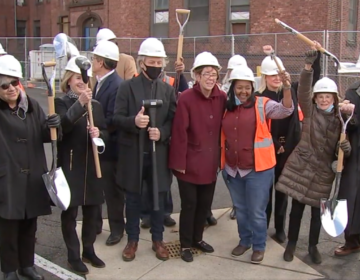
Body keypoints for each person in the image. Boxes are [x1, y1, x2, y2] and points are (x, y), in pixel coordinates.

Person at [275, 49, 354, 264]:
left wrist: (345, 148)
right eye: (320, 96)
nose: (324, 100)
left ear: (334, 98)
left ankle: (312, 247)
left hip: (322, 173)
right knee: (296, 210)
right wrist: (308, 68)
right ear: (316, 98)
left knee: (317, 213)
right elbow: (303, 92)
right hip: (303, 166)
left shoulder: (340, 119)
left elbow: (342, 147)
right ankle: (291, 244)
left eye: (328, 96)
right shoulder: (309, 111)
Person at [220, 65, 293, 264]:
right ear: (232, 87)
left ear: (252, 88)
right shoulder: (226, 107)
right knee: (241, 209)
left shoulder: (262, 104)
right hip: (233, 169)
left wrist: (287, 88)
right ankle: (245, 240)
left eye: (247, 87)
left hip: (258, 169)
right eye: (239, 87)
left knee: (257, 212)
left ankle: (259, 246)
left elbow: (286, 110)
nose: (244, 91)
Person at [113, 37, 176, 262]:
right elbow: (116, 118)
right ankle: (132, 240)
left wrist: (162, 133)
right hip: (134, 154)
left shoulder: (167, 90)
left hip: (158, 154)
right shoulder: (126, 87)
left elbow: (172, 119)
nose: (156, 66)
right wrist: (134, 122)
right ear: (142, 63)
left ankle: (158, 239)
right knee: (133, 198)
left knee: (158, 196)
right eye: (152, 61)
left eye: (160, 62)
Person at [0, 54, 60, 280]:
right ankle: (8, 270)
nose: (11, 88)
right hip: (7, 178)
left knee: (29, 225)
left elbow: (45, 134)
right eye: (4, 85)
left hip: (32, 175)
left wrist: (55, 125)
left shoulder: (32, 106)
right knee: (7, 228)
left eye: (14, 82)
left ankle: (27, 265)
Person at [255, 44, 321, 244]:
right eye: (272, 75)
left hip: (290, 150)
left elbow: (311, 84)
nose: (276, 78)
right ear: (265, 77)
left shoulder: (291, 91)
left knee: (283, 191)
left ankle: (280, 228)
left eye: (279, 75)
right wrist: (275, 144)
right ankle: (263, 227)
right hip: (267, 151)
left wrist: (314, 61)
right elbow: (259, 125)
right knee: (264, 193)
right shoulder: (259, 98)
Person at [169, 51, 227, 263]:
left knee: (204, 205)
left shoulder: (221, 97)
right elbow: (179, 132)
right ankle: (185, 243)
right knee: (190, 205)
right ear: (196, 76)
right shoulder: (186, 98)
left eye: (214, 74)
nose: (211, 78)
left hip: (210, 162)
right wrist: (179, 163)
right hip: (189, 163)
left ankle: (197, 239)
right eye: (206, 73)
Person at [55, 56, 108, 275]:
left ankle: (88, 249)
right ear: (68, 80)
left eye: (84, 78)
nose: (81, 82)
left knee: (92, 210)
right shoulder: (61, 102)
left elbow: (106, 132)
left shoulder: (95, 105)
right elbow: (62, 128)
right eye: (77, 78)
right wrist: (79, 104)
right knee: (70, 213)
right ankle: (73, 255)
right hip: (70, 165)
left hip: (92, 165)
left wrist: (99, 134)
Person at [140, 58, 189, 229]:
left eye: (158, 62)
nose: (155, 67)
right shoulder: (138, 82)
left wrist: (181, 74)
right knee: (146, 181)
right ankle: (146, 214)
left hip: (164, 138)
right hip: (145, 136)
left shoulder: (170, 81)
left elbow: (183, 91)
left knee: (164, 180)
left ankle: (165, 212)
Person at [91, 40, 126, 246]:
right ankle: (95, 224)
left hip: (111, 147)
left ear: (102, 62)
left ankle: (116, 229)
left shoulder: (116, 85)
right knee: (97, 187)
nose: (92, 62)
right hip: (99, 143)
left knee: (112, 191)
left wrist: (98, 129)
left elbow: (114, 118)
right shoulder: (100, 81)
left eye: (94, 59)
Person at [333, 77, 360, 257]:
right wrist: (347, 114)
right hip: (356, 155)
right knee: (349, 196)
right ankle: (352, 240)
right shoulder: (353, 92)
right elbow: (350, 124)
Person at [221, 54, 247, 220]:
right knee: (228, 176)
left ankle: (242, 206)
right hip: (226, 141)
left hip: (244, 144)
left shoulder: (249, 89)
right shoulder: (223, 91)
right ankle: (237, 205)